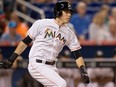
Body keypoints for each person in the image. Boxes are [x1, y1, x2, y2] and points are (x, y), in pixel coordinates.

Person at [0, 1, 90, 87]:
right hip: (37, 63)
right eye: (66, 12)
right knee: (61, 84)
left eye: (70, 12)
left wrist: (83, 71)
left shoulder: (69, 33)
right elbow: (25, 41)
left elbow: (77, 55)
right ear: (58, 12)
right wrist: (12, 59)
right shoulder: (42, 23)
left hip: (52, 67)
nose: (69, 14)